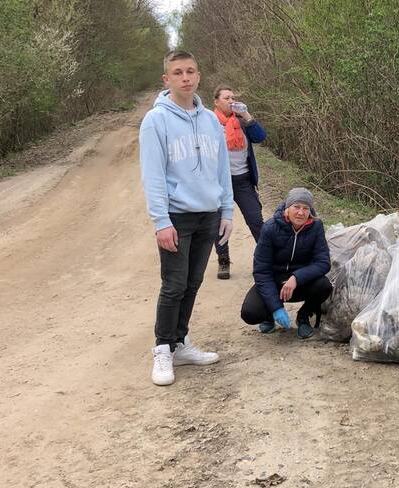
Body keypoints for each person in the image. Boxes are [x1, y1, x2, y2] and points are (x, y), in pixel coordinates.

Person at [139, 50, 234, 386]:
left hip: (207, 214)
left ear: (199, 76)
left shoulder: (210, 119)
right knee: (174, 285)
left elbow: (223, 168)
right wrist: (160, 221)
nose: (185, 77)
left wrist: (226, 209)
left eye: (190, 71)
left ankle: (180, 343)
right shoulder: (156, 121)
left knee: (193, 283)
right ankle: (163, 349)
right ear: (167, 79)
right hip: (177, 216)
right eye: (177, 72)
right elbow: (152, 175)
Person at [240, 187, 332, 340]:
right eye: (296, 207)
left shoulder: (316, 227)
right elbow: (261, 271)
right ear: (287, 208)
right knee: (250, 313)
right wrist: (276, 307)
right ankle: (269, 315)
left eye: (306, 208)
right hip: (274, 283)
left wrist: (296, 277)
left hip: (301, 283)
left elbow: (323, 262)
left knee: (324, 286)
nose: (301, 212)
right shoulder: (270, 228)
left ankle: (303, 316)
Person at [211, 85, 268, 280]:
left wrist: (247, 116)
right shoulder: (209, 123)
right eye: (226, 98)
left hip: (243, 180)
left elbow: (260, 137)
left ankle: (265, 260)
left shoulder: (242, 123)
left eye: (233, 97)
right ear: (216, 102)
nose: (231, 101)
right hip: (219, 183)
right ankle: (223, 260)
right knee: (219, 224)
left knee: (256, 220)